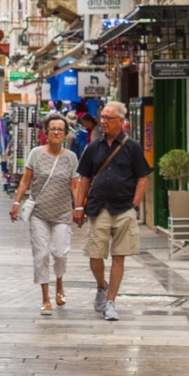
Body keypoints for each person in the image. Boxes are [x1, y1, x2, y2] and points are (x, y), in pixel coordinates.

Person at [72, 101, 151, 322]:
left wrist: (135, 204)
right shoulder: (93, 147)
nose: (103, 121)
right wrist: (79, 207)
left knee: (119, 257)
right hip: (99, 207)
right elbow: (84, 178)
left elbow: (143, 177)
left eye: (108, 118)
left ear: (121, 122)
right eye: (102, 117)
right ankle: (101, 285)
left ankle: (110, 301)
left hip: (124, 208)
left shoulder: (132, 147)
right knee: (95, 254)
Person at [10, 114, 79, 314]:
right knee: (41, 255)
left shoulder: (71, 158)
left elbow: (75, 185)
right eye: (52, 129)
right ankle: (46, 298)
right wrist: (16, 202)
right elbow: (25, 181)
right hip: (39, 213)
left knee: (59, 253)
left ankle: (59, 283)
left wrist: (79, 207)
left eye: (60, 129)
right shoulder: (36, 154)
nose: (56, 132)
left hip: (62, 214)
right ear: (46, 133)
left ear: (66, 134)